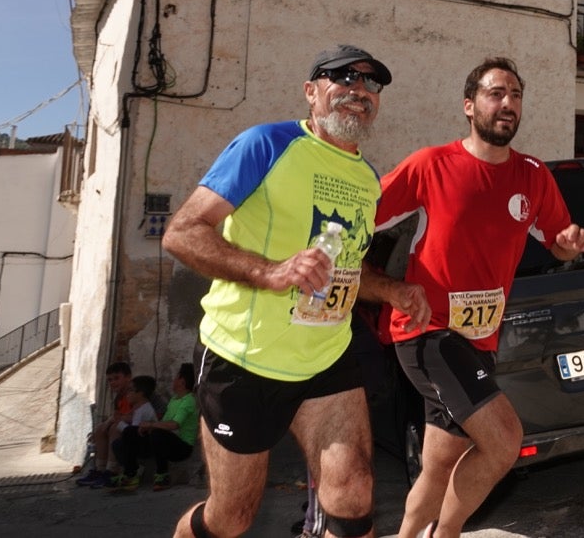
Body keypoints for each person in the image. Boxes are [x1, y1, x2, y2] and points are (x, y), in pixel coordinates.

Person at [162, 43, 430, 538]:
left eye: (371, 83)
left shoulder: (368, 179)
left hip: (326, 356)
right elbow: (183, 232)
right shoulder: (265, 144)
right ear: (311, 92)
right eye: (342, 78)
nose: (359, 90)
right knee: (231, 517)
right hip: (244, 359)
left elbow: (343, 270)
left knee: (353, 494)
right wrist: (269, 271)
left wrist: (392, 289)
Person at [373, 56, 584, 538]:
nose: (508, 103)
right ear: (469, 105)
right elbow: (362, 213)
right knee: (503, 441)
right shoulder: (430, 165)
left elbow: (556, 243)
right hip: (427, 331)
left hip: (480, 339)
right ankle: (445, 535)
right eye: (497, 93)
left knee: (438, 463)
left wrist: (571, 243)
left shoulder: (534, 175)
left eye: (516, 95)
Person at [138, 363, 199, 491]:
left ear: (182, 381)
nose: (174, 378)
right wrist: (148, 427)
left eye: (176, 375)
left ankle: (163, 475)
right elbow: (164, 422)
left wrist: (151, 425)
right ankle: (131, 472)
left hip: (183, 447)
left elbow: (174, 424)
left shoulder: (189, 400)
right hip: (171, 440)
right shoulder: (174, 399)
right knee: (132, 433)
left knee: (157, 434)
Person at [75, 360, 134, 486]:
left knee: (114, 428)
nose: (113, 382)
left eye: (116, 378)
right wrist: (106, 423)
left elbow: (133, 416)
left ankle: (111, 471)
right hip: (124, 426)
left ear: (128, 377)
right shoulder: (119, 397)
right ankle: (99, 469)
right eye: (110, 380)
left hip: (135, 429)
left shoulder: (134, 395)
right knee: (99, 430)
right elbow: (117, 415)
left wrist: (112, 421)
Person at [107, 374, 159, 491]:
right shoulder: (138, 408)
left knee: (128, 435)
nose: (127, 394)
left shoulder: (145, 409)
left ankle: (131, 474)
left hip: (147, 444)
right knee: (117, 444)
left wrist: (119, 422)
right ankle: (132, 470)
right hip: (139, 442)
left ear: (140, 393)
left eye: (131, 390)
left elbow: (133, 433)